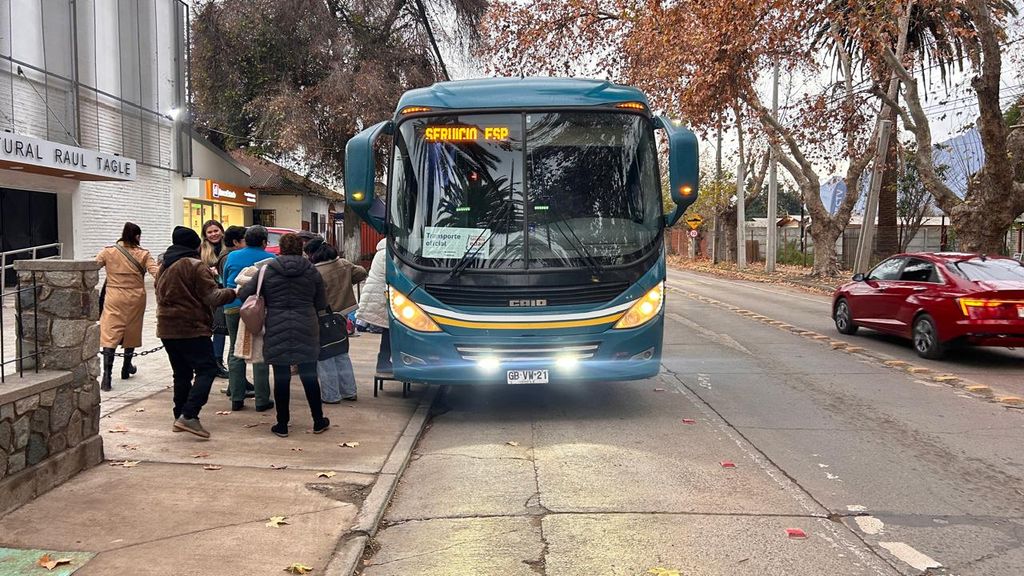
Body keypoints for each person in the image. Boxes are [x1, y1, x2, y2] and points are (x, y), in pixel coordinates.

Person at [239, 233, 330, 437]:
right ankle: (318, 420)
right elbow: (322, 303)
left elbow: (245, 294)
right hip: (307, 325)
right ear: (301, 248)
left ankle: (282, 424)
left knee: (281, 377)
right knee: (309, 375)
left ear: (280, 248)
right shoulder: (312, 271)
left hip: (276, 325)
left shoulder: (267, 269)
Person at [156, 226, 237, 438]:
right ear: (195, 245)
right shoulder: (194, 265)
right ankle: (189, 414)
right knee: (207, 369)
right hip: (192, 328)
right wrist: (234, 291)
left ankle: (179, 415)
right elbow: (213, 297)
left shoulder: (165, 265)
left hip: (166, 328)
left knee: (181, 373)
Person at [95, 222, 161, 391]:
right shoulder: (144, 254)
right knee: (131, 329)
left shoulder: (108, 251)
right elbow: (157, 273)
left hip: (113, 296)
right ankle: (126, 367)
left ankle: (107, 377)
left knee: (110, 332)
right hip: (136, 297)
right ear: (137, 236)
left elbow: (91, 266)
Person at [304, 238, 366, 402]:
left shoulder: (314, 271)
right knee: (341, 353)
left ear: (313, 253)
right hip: (342, 314)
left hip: (323, 316)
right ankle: (349, 391)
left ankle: (331, 395)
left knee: (324, 356)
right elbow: (361, 272)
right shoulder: (344, 264)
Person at [223, 226, 274, 411]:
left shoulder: (232, 256)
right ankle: (262, 400)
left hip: (232, 306)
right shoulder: (271, 259)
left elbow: (225, 278)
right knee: (260, 350)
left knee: (235, 350)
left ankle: (236, 397)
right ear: (264, 242)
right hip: (257, 308)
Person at [356, 238, 391, 375]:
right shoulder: (387, 254)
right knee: (389, 332)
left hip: (377, 295)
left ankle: (384, 363)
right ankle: (384, 364)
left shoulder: (381, 252)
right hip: (381, 297)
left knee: (387, 333)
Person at [200, 220, 229, 379]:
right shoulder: (202, 250)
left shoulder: (227, 248)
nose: (213, 234)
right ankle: (209, 362)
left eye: (216, 230)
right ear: (205, 235)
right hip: (207, 293)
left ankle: (218, 361)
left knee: (219, 327)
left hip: (223, 292)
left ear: (222, 231)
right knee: (208, 328)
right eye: (210, 232)